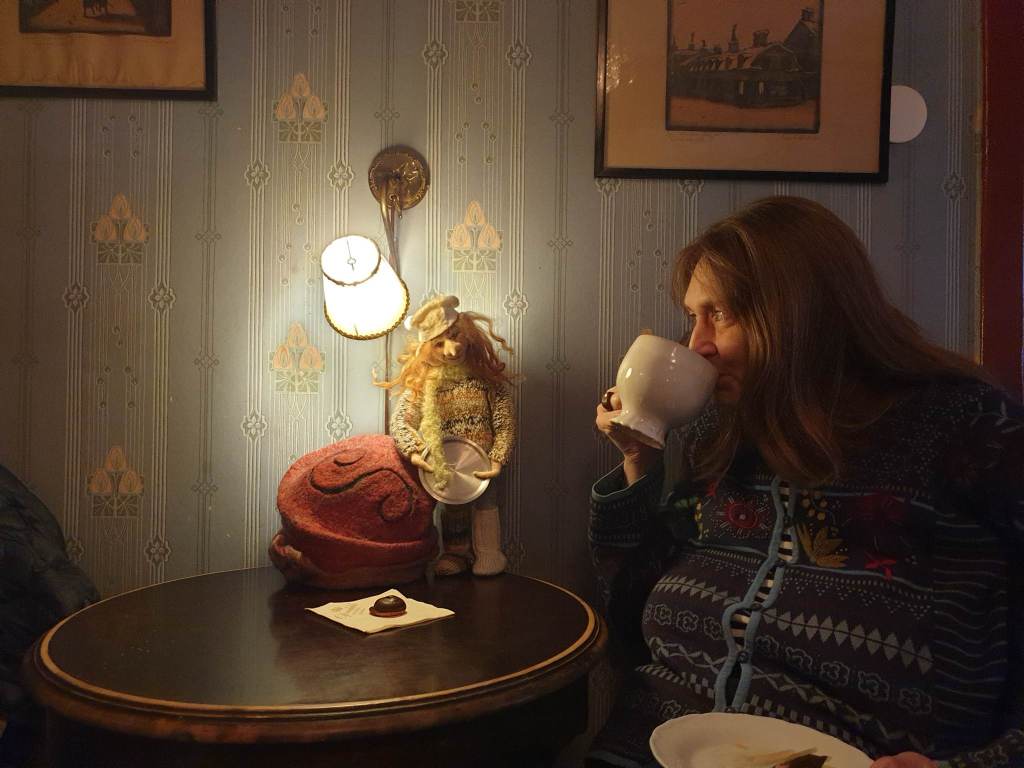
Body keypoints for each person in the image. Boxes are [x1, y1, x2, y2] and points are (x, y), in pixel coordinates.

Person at [588, 196, 1024, 768]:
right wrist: (639, 461)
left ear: (799, 312)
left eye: (720, 314)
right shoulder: (719, 434)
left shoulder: (964, 427)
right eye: (693, 316)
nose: (697, 345)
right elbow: (627, 620)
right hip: (653, 746)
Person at [381, 295, 516, 576]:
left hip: (481, 461)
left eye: (455, 337)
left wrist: (498, 457)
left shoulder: (486, 380)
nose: (451, 350)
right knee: (451, 507)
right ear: (426, 348)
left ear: (468, 334)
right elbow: (401, 420)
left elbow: (504, 421)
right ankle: (456, 554)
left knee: (486, 504)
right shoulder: (424, 385)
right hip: (446, 463)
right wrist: (415, 451)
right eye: (439, 344)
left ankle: (489, 553)